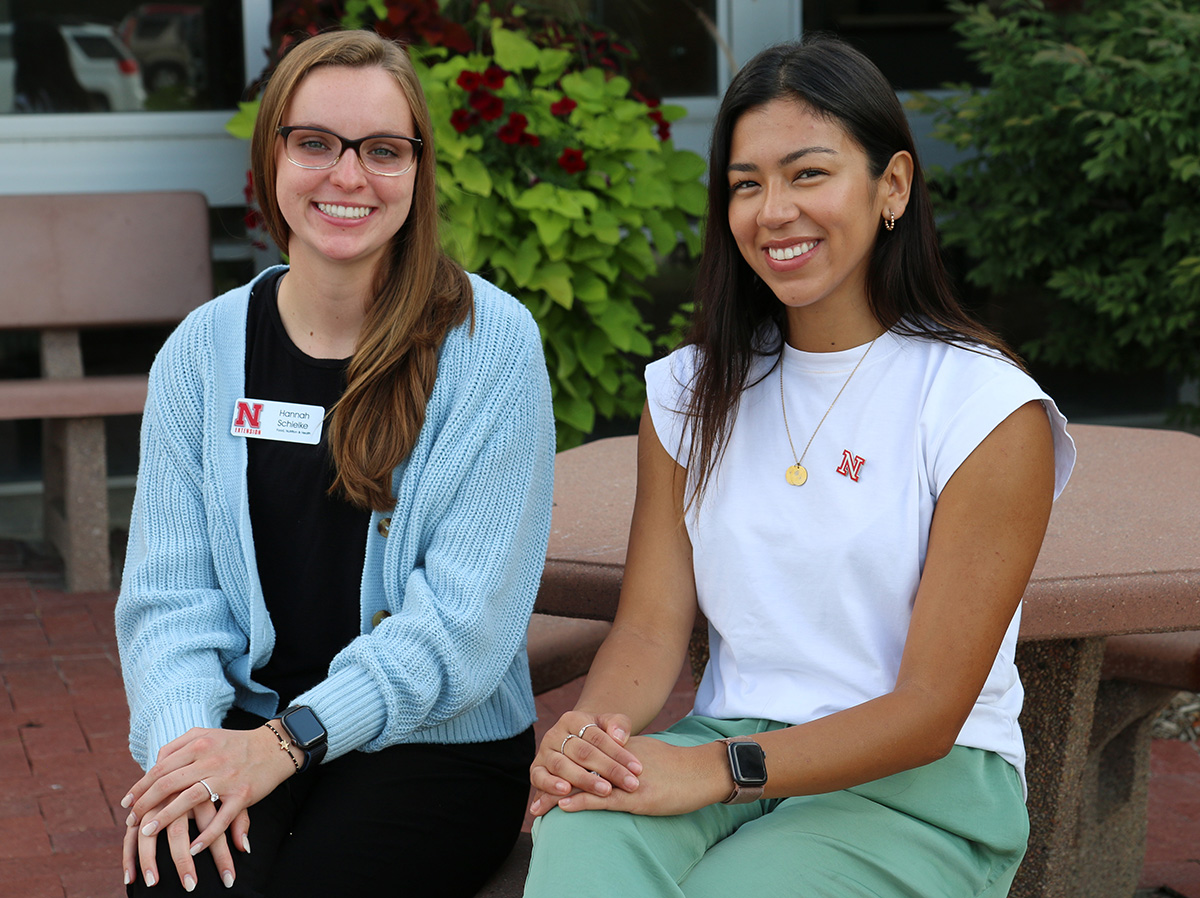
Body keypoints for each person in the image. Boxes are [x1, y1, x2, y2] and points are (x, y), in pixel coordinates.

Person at [523, 35, 1075, 898]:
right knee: (581, 833)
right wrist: (588, 739)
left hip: (918, 786)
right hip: (725, 744)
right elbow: (649, 629)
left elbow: (930, 709)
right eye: (746, 184)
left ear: (892, 186)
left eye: (807, 173)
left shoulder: (983, 408)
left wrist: (719, 768)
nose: (772, 210)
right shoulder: (688, 391)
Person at [115, 29, 555, 897]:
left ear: (418, 173)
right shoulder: (202, 353)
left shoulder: (488, 346)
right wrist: (190, 759)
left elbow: (460, 628)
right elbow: (169, 602)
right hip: (245, 727)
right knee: (174, 883)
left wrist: (284, 748)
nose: (347, 176)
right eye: (315, 143)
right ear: (269, 160)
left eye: (382, 151)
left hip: (434, 747)